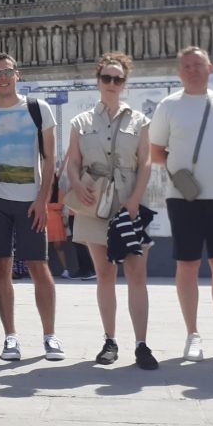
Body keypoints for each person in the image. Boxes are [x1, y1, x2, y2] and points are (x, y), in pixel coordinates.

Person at [149, 46, 213, 363]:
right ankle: (192, 335)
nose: (192, 69)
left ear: (210, 67)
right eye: (186, 65)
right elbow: (156, 151)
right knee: (187, 266)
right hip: (184, 199)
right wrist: (181, 176)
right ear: (179, 72)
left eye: (198, 64)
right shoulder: (168, 105)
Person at [66, 52, 157, 369]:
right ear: (98, 80)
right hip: (94, 202)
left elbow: (145, 162)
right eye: (107, 78)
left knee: (136, 273)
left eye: (118, 79)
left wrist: (135, 199)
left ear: (125, 83)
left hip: (129, 201)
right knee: (104, 274)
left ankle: (142, 345)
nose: (112, 83)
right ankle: (109, 340)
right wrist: (76, 185)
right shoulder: (81, 122)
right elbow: (73, 162)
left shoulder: (140, 121)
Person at [0, 53, 62, 361]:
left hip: (30, 202)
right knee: (0, 266)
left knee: (39, 266)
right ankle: (10, 337)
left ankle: (50, 336)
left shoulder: (38, 109)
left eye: (8, 72)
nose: (3, 77)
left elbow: (50, 158)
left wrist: (43, 199)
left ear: (18, 75)